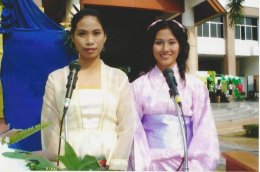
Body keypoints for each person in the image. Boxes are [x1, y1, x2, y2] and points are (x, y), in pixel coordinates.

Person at [40, 8, 136, 170]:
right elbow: (51, 127)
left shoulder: (118, 79)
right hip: (68, 165)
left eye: (96, 33)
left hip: (109, 165)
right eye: (82, 34)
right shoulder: (57, 79)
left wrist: (117, 165)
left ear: (105, 37)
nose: (90, 41)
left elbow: (126, 127)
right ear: (73, 38)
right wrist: (63, 164)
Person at [130, 19, 220, 171]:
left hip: (187, 165)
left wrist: (194, 167)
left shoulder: (196, 86)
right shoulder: (137, 87)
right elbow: (133, 132)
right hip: (149, 164)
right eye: (159, 42)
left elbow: (206, 131)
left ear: (180, 46)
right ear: (151, 46)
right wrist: (143, 166)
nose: (165, 48)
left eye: (172, 42)